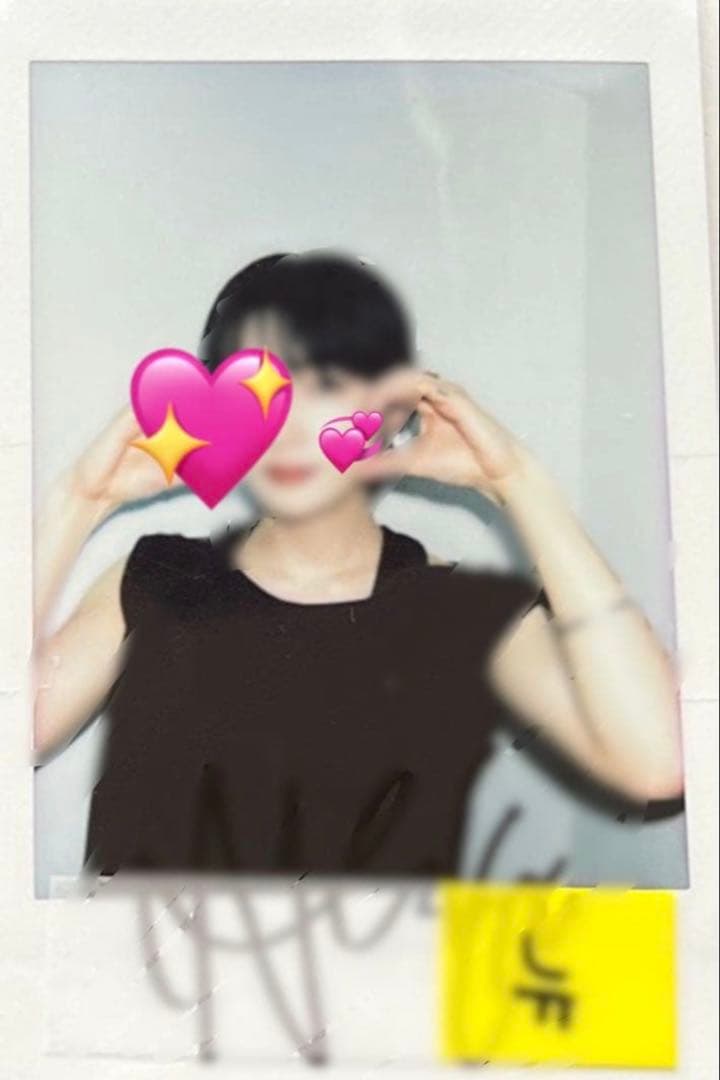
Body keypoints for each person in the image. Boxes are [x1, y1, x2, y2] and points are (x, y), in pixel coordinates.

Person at [32, 250, 684, 878]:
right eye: (261, 388)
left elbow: (658, 763)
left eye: (327, 383)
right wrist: (78, 502)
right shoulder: (153, 578)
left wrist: (517, 481)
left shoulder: (458, 611)